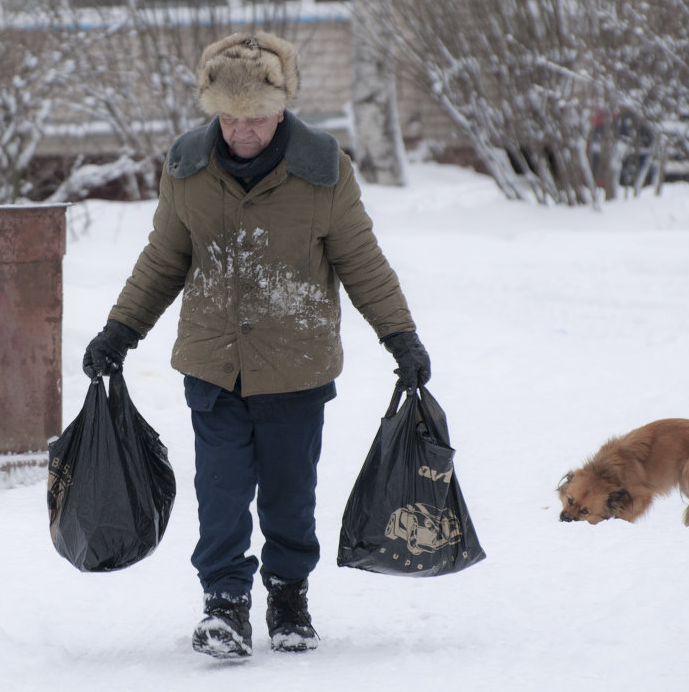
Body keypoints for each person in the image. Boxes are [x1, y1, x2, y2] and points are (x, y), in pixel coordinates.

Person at [83, 32, 430, 659]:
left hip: (296, 364)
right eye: (231, 118)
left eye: (257, 120)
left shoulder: (324, 170)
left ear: (281, 111)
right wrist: (120, 331)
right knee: (220, 491)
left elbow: (363, 262)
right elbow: (164, 259)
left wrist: (400, 337)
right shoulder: (188, 166)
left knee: (290, 493)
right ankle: (225, 604)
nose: (242, 132)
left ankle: (289, 596)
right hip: (214, 366)